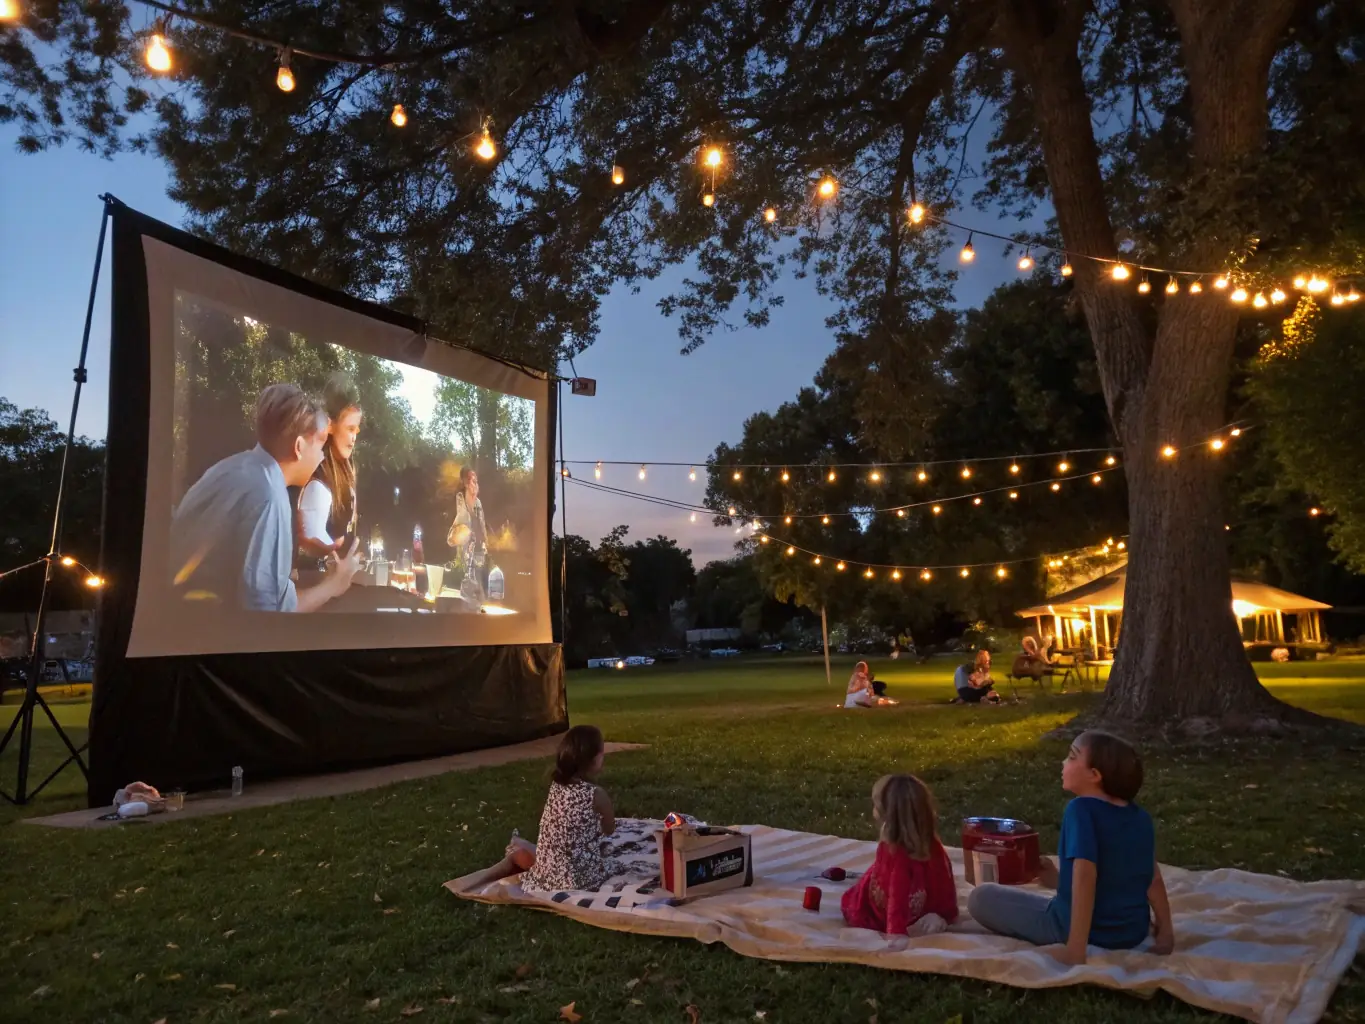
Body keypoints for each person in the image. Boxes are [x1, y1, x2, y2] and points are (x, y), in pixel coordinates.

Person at [967, 731, 1175, 965]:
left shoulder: (1081, 810)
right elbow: (1150, 877)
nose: (1063, 762)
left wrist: (1076, 949)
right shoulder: (1140, 818)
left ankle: (1071, 935)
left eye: (1072, 757)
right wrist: (1166, 932)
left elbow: (1086, 875)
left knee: (981, 897)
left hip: (1079, 930)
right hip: (1131, 932)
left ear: (1094, 775)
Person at [170, 384, 362, 611]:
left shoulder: (231, 469)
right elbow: (268, 612)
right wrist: (334, 585)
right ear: (299, 447)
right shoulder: (268, 496)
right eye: (320, 443)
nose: (322, 455)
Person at [841, 774, 959, 944]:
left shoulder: (915, 849)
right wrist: (897, 932)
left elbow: (939, 882)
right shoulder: (908, 849)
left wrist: (942, 915)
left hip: (895, 908)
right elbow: (896, 893)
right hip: (888, 904)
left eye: (876, 806)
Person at [502, 725, 621, 892]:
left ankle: (515, 847)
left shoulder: (556, 786)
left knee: (523, 849)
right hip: (583, 879)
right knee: (615, 862)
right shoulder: (597, 795)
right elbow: (609, 830)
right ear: (594, 758)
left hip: (547, 877)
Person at [296, 374, 363, 567]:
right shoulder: (318, 480)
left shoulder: (346, 473)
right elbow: (310, 547)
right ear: (331, 426)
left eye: (356, 431)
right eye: (350, 429)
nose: (353, 439)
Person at [447, 466, 489, 599]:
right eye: (473, 481)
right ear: (465, 483)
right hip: (461, 562)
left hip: (478, 559)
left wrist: (485, 544)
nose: (476, 485)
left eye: (477, 481)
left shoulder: (478, 503)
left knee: (480, 597)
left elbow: (481, 526)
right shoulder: (458, 500)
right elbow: (454, 536)